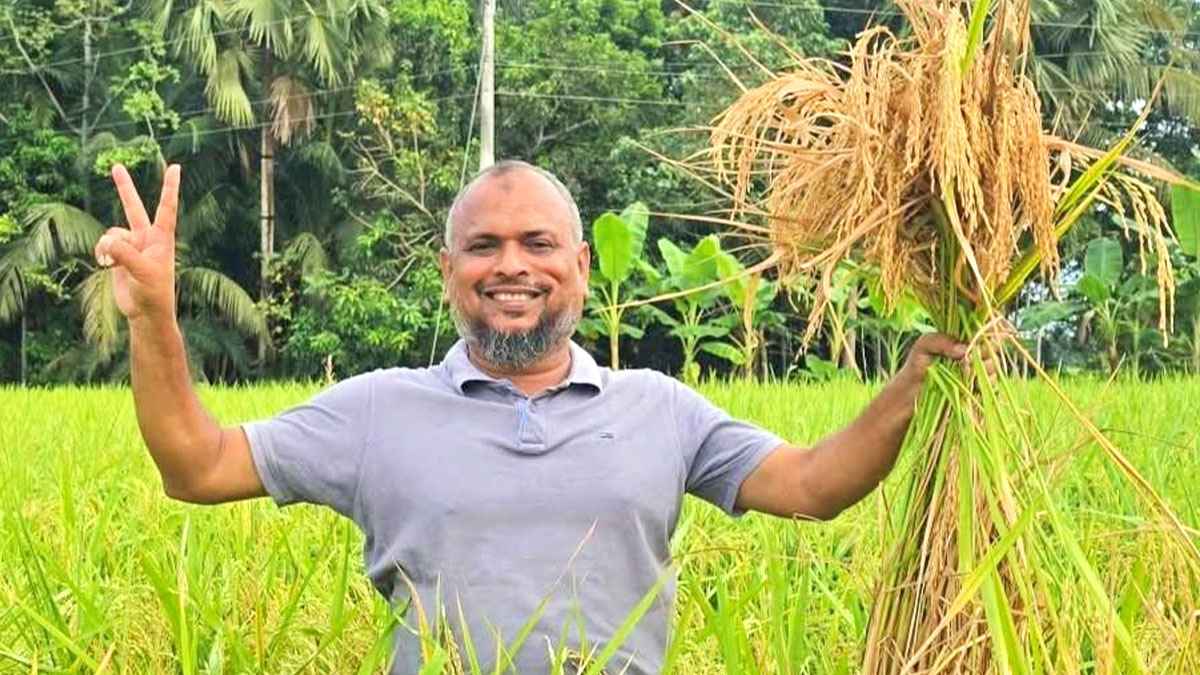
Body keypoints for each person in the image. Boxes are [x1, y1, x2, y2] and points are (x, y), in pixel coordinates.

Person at [93, 159, 969, 674]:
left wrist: (912, 384)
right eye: (484, 246)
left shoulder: (659, 408)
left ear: (582, 266)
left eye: (538, 243)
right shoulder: (376, 410)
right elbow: (197, 467)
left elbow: (813, 486)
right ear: (449, 271)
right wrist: (156, 317)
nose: (511, 265)